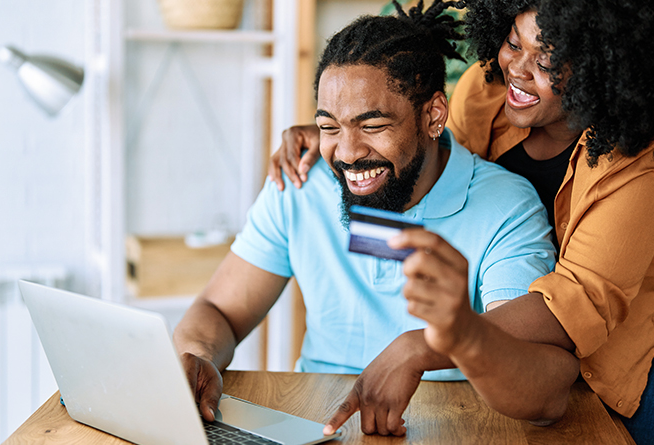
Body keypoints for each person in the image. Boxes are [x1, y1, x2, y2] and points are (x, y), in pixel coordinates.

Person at [268, 0, 654, 443]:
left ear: (605, 66)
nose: (517, 67)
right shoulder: (489, 89)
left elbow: (574, 306)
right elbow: (434, 164)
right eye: (514, 43)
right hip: (550, 280)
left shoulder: (643, 156)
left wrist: (423, 344)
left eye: (548, 59)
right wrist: (347, 135)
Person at [173, 0, 557, 438]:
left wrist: (458, 335)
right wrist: (198, 355)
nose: (348, 153)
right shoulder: (303, 181)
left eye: (372, 126)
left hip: (448, 427)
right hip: (314, 424)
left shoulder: (506, 206)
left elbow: (544, 393)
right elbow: (219, 308)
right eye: (330, 126)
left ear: (433, 115)